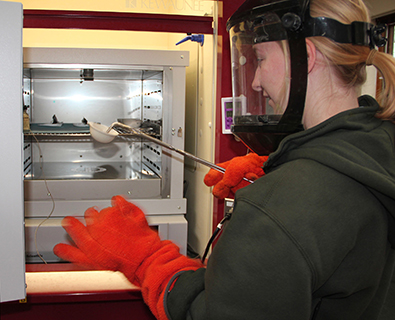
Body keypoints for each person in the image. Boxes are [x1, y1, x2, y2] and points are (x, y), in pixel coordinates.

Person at [54, 0, 395, 319]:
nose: (257, 82)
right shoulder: (380, 145)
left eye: (260, 59)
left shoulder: (281, 208)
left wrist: (147, 259)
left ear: (306, 56)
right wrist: (276, 170)